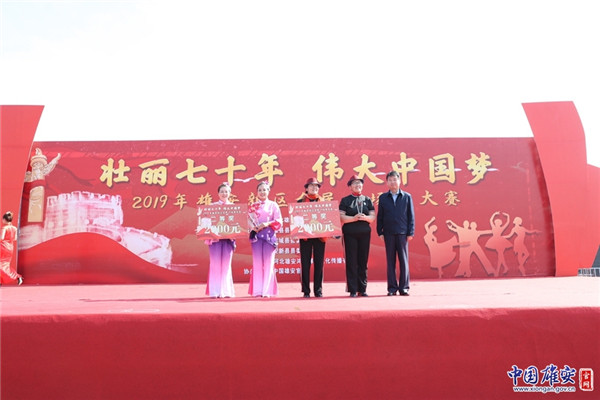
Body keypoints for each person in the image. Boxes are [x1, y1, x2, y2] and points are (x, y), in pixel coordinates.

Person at [376, 171, 414, 296]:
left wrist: (410, 232)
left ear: (399, 181)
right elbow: (380, 216)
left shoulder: (407, 197)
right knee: (390, 261)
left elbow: (411, 216)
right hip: (388, 233)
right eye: (390, 180)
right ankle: (392, 288)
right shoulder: (383, 198)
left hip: (403, 233)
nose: (393, 182)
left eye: (395, 179)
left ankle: (404, 287)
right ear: (387, 182)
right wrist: (380, 231)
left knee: (404, 261)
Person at [339, 175, 375, 297]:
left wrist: (365, 218)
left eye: (359, 183)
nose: (357, 185)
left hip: (364, 234)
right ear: (350, 187)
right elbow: (341, 217)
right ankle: (353, 289)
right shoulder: (345, 200)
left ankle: (362, 289)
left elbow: (372, 217)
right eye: (354, 183)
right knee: (351, 261)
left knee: (363, 261)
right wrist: (354, 218)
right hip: (350, 234)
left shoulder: (367, 200)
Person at [248, 181, 282, 297]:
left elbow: (279, 221)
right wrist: (253, 227)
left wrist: (267, 224)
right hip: (256, 237)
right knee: (257, 263)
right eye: (260, 190)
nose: (262, 192)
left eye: (264, 190)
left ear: (268, 191)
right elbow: (248, 220)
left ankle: (267, 291)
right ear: (257, 192)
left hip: (269, 237)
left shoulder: (273, 205)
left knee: (268, 264)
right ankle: (257, 291)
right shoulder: (253, 206)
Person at [204, 183, 236, 298]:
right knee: (215, 265)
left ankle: (226, 291)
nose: (224, 194)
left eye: (226, 191)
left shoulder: (234, 207)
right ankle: (215, 291)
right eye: (222, 191)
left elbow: (238, 224)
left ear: (230, 193)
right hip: (215, 240)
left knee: (226, 265)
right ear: (218, 193)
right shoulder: (212, 207)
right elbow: (205, 222)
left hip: (228, 240)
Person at [297, 177, 327, 298]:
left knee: (319, 263)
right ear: (306, 188)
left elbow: (328, 219)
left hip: (320, 236)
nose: (314, 188)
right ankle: (306, 290)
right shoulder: (300, 203)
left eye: (316, 186)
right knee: (305, 263)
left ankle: (318, 290)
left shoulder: (324, 203)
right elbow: (296, 219)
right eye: (311, 186)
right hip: (305, 237)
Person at [1, 211, 23, 286]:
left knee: (2, 265)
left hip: (3, 247)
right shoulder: (14, 228)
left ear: (4, 219)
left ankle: (17, 276)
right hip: (10, 248)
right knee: (5, 265)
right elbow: (15, 239)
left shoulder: (4, 228)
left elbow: (1, 238)